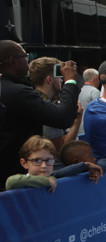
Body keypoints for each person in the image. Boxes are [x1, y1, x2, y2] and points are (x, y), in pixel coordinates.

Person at [0, 40, 80, 190]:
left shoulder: (9, 88)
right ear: (13, 61)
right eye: (25, 56)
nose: (28, 61)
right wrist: (70, 81)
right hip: (15, 178)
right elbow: (62, 118)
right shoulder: (17, 92)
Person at [27, 57, 82, 167]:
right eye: (59, 75)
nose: (62, 79)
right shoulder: (47, 108)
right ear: (49, 79)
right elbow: (60, 149)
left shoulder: (33, 102)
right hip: (53, 169)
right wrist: (77, 120)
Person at [78, 68, 101, 135]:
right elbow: (98, 112)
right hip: (89, 129)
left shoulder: (77, 91)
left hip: (77, 129)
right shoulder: (95, 91)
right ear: (95, 79)